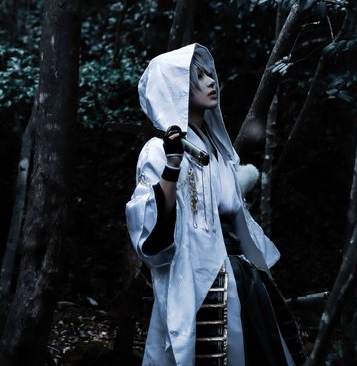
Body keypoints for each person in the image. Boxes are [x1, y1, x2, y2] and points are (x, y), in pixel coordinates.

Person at [125, 43, 302, 365]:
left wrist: (259, 270)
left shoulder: (218, 149)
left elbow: (236, 217)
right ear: (175, 87)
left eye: (210, 74)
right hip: (195, 278)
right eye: (198, 77)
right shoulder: (158, 150)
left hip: (242, 278)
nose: (211, 82)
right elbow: (154, 238)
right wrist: (172, 165)